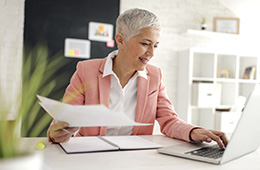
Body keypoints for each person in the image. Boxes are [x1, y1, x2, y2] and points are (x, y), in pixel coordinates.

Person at [48, 8, 228, 149]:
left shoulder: (155, 76)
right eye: (145, 44)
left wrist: (194, 132)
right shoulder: (86, 70)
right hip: (91, 156)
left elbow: (168, 120)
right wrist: (59, 132)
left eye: (155, 46)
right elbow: (64, 120)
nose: (151, 53)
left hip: (135, 155)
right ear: (120, 40)